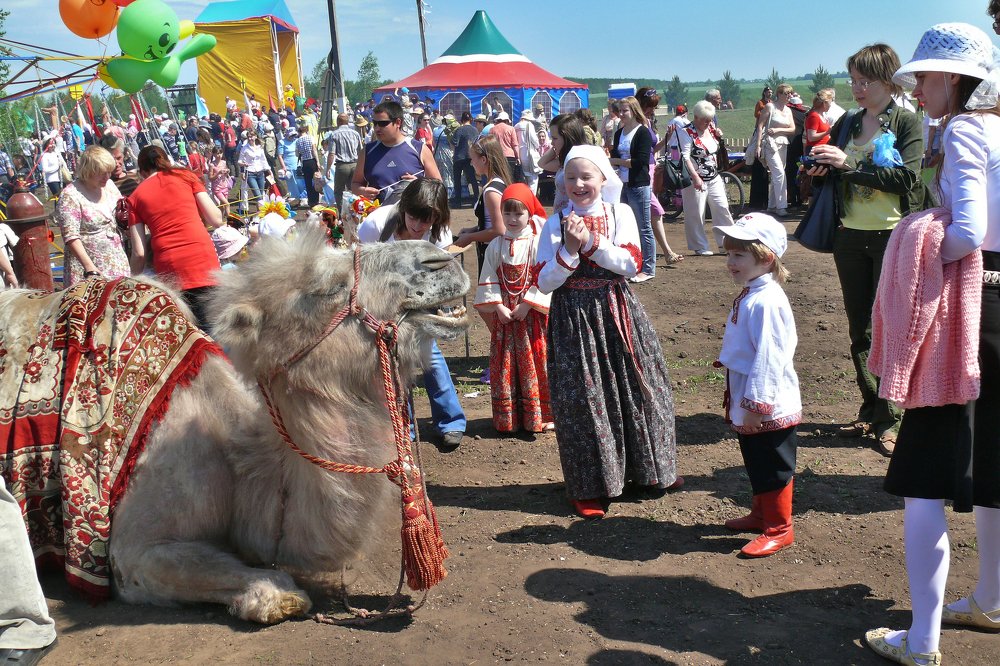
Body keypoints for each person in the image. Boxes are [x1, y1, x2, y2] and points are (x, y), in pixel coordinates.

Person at [861, 22, 1000, 666]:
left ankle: (921, 640)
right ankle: (991, 597)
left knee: (924, 480)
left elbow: (968, 231)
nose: (915, 86)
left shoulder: (969, 129)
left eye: (924, 75)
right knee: (994, 466)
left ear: (956, 78)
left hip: (969, 312)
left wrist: (923, 262)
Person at [535, 144, 680, 519]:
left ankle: (649, 472)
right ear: (562, 182)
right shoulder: (553, 224)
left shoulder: (621, 213)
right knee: (584, 400)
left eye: (587, 176)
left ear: (603, 178)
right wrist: (569, 248)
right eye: (571, 177)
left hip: (618, 310)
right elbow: (545, 282)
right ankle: (589, 486)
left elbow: (631, 264)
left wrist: (593, 243)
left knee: (638, 388)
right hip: (573, 321)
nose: (579, 184)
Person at [809, 43, 927, 455]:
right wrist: (820, 167)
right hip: (849, 235)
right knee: (860, 327)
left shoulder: (908, 122)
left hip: (893, 236)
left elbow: (907, 180)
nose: (857, 88)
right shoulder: (848, 123)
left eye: (866, 81)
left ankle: (890, 418)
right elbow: (837, 170)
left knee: (892, 327)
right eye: (853, 80)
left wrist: (849, 165)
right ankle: (870, 406)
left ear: (889, 80)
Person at [356, 178, 467, 449]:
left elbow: (438, 275)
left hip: (420, 295)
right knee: (390, 363)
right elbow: (361, 265)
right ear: (403, 207)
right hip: (382, 296)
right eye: (414, 218)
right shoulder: (376, 225)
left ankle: (450, 421)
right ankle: (402, 425)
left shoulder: (439, 235)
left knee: (430, 356)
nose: (418, 226)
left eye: (426, 221)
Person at [717, 213, 800, 558]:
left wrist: (756, 404)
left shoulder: (767, 301)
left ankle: (780, 528)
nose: (730, 262)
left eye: (739, 255)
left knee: (773, 464)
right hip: (748, 392)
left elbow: (771, 357)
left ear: (765, 258)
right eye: (729, 254)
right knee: (755, 459)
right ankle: (761, 514)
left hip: (766, 400)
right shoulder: (753, 292)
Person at [474, 183, 553, 434]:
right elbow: (488, 277)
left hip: (530, 318)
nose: (512, 219)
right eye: (507, 213)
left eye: (518, 213)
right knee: (506, 361)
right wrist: (497, 306)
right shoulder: (496, 245)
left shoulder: (538, 243)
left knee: (536, 360)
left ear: (530, 213)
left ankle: (538, 416)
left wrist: (528, 304)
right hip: (506, 318)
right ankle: (509, 419)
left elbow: (544, 277)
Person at [127, 145, 224, 331]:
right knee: (211, 328)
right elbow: (216, 218)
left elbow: (139, 253)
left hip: (169, 268)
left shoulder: (135, 197)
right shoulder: (186, 176)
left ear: (142, 171)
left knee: (186, 332)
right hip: (202, 257)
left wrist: (132, 280)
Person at [55, 146, 129, 287]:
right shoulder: (70, 195)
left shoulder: (109, 185)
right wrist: (90, 268)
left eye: (108, 172)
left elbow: (122, 213)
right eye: (101, 173)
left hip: (117, 260)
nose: (107, 177)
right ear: (88, 171)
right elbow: (70, 237)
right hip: (88, 267)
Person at [352, 101, 441, 206]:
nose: (377, 128)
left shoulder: (419, 149)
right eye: (375, 123)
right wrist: (362, 191)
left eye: (383, 123)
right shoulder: (367, 151)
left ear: (398, 123)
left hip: (413, 217)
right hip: (378, 218)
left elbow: (438, 186)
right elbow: (355, 184)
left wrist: (419, 185)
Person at [679, 101, 736, 256]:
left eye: (710, 119)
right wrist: (695, 177)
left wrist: (719, 136)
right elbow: (685, 157)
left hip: (714, 176)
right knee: (696, 212)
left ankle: (727, 243)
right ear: (696, 117)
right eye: (705, 119)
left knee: (722, 207)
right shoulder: (686, 132)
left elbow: (715, 149)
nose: (708, 122)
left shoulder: (711, 129)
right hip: (695, 179)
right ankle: (700, 246)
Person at [609, 96, 656, 282]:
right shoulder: (619, 133)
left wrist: (618, 161)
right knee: (627, 227)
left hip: (638, 184)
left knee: (644, 227)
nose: (621, 114)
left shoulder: (642, 132)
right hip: (623, 185)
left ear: (634, 111)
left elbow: (641, 161)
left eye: (624, 111)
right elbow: (614, 154)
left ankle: (649, 268)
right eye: (619, 111)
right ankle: (633, 265)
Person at [454, 134, 512, 274]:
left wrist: (470, 237)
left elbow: (499, 229)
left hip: (493, 253)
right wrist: (474, 229)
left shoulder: (491, 191)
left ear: (483, 159)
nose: (471, 163)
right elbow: (491, 222)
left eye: (473, 159)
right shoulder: (500, 183)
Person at [755, 83, 796, 217]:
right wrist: (758, 146)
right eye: (786, 93)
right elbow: (760, 126)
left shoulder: (788, 110)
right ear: (779, 94)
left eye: (790, 93)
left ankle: (772, 206)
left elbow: (792, 129)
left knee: (777, 175)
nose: (789, 96)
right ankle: (781, 207)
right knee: (779, 173)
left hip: (783, 143)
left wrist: (778, 130)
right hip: (769, 144)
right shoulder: (769, 107)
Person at [538, 115, 587, 215]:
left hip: (574, 218)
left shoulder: (582, 162)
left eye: (555, 138)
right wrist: (556, 147)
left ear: (567, 138)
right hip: (560, 217)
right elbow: (542, 163)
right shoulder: (563, 161)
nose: (552, 142)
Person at [325, 113, 363, 210]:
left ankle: (342, 212)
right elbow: (361, 151)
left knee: (339, 191)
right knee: (354, 189)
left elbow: (332, 153)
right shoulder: (355, 133)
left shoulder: (334, 134)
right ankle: (355, 210)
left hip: (342, 166)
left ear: (338, 121)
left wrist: (328, 169)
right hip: (355, 164)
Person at [451, 112, 480, 207]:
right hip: (470, 157)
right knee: (472, 179)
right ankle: (476, 199)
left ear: (461, 120)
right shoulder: (475, 130)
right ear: (471, 119)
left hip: (459, 157)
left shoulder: (459, 129)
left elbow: (455, 143)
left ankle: (458, 201)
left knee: (457, 180)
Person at [490, 111, 523, 183]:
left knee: (499, 178)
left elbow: (490, 145)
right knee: (509, 178)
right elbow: (515, 145)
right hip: (509, 156)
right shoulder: (511, 129)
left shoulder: (492, 129)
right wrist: (517, 157)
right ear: (507, 120)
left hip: (497, 156)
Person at [295, 121, 322, 208]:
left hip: (305, 162)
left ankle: (311, 201)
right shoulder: (310, 138)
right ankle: (316, 200)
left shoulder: (297, 141)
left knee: (308, 182)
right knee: (316, 181)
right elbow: (314, 150)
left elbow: (296, 154)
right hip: (312, 161)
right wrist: (317, 161)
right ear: (306, 130)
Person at [515, 110, 543, 194]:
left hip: (520, 154)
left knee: (524, 179)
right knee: (533, 179)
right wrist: (538, 146)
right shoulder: (529, 125)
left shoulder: (516, 126)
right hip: (529, 154)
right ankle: (531, 199)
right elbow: (534, 139)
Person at [208, 146, 232, 220]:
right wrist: (218, 173)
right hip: (217, 188)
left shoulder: (224, 162)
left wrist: (227, 172)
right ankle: (231, 222)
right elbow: (210, 178)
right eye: (217, 154)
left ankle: (220, 222)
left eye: (220, 153)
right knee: (227, 204)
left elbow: (227, 173)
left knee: (222, 207)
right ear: (214, 154)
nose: (219, 155)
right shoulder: (212, 165)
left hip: (224, 186)